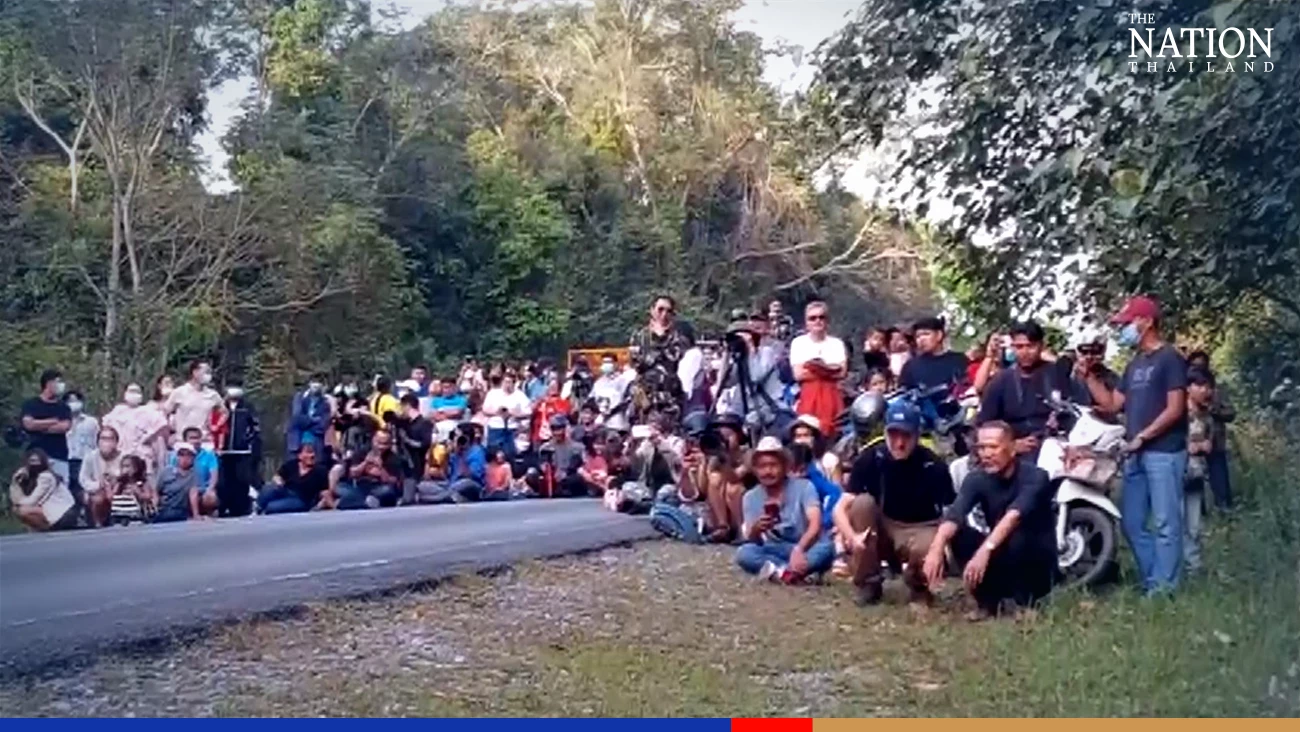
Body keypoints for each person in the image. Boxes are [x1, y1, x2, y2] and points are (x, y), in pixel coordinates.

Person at [1080, 295, 1188, 595]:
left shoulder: (1170, 358)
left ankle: (1165, 589)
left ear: (1147, 322)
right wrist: (1089, 376)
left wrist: (1144, 436)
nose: (1123, 329)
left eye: (1127, 323)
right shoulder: (1134, 364)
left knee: (1166, 522)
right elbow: (1114, 404)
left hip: (1164, 452)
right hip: (1136, 453)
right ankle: (1156, 581)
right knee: (1132, 522)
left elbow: (1175, 408)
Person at [923, 422, 1060, 620]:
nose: (986, 454)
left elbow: (1013, 516)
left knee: (1016, 532)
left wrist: (984, 551)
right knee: (959, 535)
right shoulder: (976, 479)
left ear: (1012, 449)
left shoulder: (1036, 477)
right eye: (982, 447)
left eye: (993, 447)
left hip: (1036, 564)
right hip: (1001, 554)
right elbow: (955, 514)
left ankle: (1027, 603)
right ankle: (988, 603)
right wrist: (936, 548)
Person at [834, 402, 955, 606]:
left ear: (917, 436)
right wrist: (852, 537)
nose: (899, 443)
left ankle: (918, 587)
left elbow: (950, 513)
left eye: (906, 436)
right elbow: (840, 508)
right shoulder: (871, 457)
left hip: (921, 526)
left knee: (927, 546)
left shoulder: (934, 465)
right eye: (893, 435)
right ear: (885, 433)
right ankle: (869, 582)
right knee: (861, 504)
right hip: (884, 522)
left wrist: (938, 549)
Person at [735, 436, 835, 583]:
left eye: (773, 465)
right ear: (755, 470)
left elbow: (815, 524)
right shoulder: (750, 497)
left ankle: (780, 572)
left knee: (826, 547)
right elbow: (753, 540)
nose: (768, 471)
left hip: (805, 545)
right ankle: (790, 572)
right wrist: (756, 529)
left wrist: (799, 549)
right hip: (775, 549)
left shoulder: (804, 487)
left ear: (784, 466)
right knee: (745, 553)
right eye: (762, 466)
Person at [976, 320, 1063, 459]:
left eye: (1031, 346)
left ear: (1041, 346)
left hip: (1055, 446)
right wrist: (1011, 445)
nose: (1025, 352)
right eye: (1019, 347)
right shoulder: (1001, 380)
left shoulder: (1057, 374)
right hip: (1013, 452)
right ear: (1012, 347)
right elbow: (984, 424)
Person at [789, 301, 848, 440]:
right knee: (807, 433)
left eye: (822, 317)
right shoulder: (798, 343)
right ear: (806, 322)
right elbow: (798, 374)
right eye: (813, 318)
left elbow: (842, 372)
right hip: (809, 395)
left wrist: (813, 368)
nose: (818, 321)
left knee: (833, 434)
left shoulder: (836, 343)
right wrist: (828, 370)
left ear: (827, 320)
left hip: (832, 395)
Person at [630, 294, 691, 423]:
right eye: (660, 309)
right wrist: (660, 350)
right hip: (645, 397)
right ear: (652, 310)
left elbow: (674, 358)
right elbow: (637, 364)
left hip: (670, 397)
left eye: (669, 311)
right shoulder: (639, 336)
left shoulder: (678, 338)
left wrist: (660, 339)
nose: (664, 314)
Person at [1183, 369, 1216, 572]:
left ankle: (1193, 568)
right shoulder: (1178, 414)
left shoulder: (1206, 416)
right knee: (1174, 521)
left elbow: (1209, 444)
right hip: (1177, 471)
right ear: (1189, 388)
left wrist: (1202, 446)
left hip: (1197, 473)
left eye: (1208, 386)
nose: (1206, 390)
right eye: (1200, 385)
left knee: (1194, 525)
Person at [103, 383, 170, 477]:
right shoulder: (117, 412)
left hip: (143, 459)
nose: (133, 394)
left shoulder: (149, 412)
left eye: (136, 391)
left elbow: (161, 432)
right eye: (131, 391)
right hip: (121, 459)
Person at [20, 369, 73, 484]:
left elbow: (64, 427)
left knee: (61, 490)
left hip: (58, 456)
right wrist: (52, 421)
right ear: (48, 383)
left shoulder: (63, 407)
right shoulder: (31, 404)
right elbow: (28, 424)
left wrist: (38, 426)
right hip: (34, 456)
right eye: (58, 382)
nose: (61, 385)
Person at [9, 448, 79, 532]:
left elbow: (32, 501)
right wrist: (15, 482)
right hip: (51, 511)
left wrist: (18, 503)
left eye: (37, 461)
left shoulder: (46, 477)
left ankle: (46, 530)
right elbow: (15, 499)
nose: (34, 464)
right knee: (18, 509)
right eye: (32, 461)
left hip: (64, 513)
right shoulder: (30, 478)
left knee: (23, 510)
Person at [218, 382, 261, 517]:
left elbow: (255, 427)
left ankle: (242, 507)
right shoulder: (220, 406)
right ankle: (224, 506)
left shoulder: (247, 407)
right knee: (225, 480)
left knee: (242, 479)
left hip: (242, 451)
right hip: (224, 450)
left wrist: (248, 441)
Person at [416, 424, 488, 503]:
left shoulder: (476, 451)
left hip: (472, 484)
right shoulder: (454, 452)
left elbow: (473, 475)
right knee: (423, 485)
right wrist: (448, 454)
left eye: (457, 436)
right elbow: (445, 474)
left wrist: (463, 455)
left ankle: (438, 498)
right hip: (452, 484)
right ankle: (452, 497)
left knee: (464, 483)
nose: (455, 438)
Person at [334, 430, 404, 509]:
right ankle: (366, 502)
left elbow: (392, 481)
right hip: (359, 486)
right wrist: (365, 462)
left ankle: (354, 503)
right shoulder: (362, 451)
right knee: (341, 488)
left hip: (378, 487)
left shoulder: (392, 457)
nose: (380, 447)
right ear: (373, 440)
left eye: (385, 444)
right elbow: (353, 474)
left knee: (387, 491)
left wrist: (381, 468)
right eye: (378, 442)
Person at [259, 442, 332, 514]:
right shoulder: (291, 464)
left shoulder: (320, 470)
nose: (312, 455)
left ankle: (266, 509)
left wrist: (325, 506)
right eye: (308, 452)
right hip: (286, 491)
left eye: (313, 453)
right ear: (299, 455)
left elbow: (324, 492)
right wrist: (279, 482)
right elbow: (277, 476)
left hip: (302, 499)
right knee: (268, 489)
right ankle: (258, 507)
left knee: (271, 507)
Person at [898, 317, 969, 390]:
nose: (921, 339)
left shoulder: (958, 359)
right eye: (917, 336)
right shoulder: (911, 366)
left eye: (926, 334)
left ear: (939, 335)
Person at [165, 360, 225, 443]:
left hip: (204, 440)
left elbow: (225, 412)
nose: (208, 375)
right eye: (205, 372)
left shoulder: (213, 395)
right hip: (182, 440)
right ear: (195, 372)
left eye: (209, 372)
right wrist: (170, 429)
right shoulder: (179, 392)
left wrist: (216, 426)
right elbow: (165, 412)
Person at [79, 425, 124, 527]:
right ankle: (97, 524)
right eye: (103, 438)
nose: (106, 442)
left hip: (117, 490)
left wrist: (115, 480)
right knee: (97, 498)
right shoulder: (90, 457)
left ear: (116, 442)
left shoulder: (123, 457)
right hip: (97, 490)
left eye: (110, 439)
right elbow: (83, 479)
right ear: (98, 441)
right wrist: (99, 485)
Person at [172, 427, 220, 516]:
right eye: (192, 438)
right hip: (183, 490)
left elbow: (214, 475)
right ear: (185, 440)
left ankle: (208, 512)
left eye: (197, 438)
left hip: (202, 489)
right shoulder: (176, 456)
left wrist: (210, 489)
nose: (195, 441)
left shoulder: (209, 455)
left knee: (211, 498)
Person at [394, 393, 433, 503]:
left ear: (407, 406)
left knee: (410, 498)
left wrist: (408, 441)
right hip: (406, 464)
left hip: (418, 463)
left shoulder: (424, 423)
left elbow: (425, 444)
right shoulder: (405, 424)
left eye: (402, 407)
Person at [482, 373, 531, 459]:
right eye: (505, 382)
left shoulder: (520, 395)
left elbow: (528, 412)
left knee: (510, 454)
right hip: (495, 428)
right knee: (494, 454)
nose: (507, 384)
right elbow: (485, 410)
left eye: (509, 382)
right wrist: (496, 413)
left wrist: (513, 414)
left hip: (512, 428)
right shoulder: (493, 393)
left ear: (514, 383)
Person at [63, 389, 98, 505]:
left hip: (85, 459)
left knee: (85, 489)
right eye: (70, 401)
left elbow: (96, 440)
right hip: (66, 460)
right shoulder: (61, 422)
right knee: (68, 489)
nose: (73, 403)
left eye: (76, 400)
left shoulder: (91, 422)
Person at [154, 442, 201, 523]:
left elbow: (193, 494)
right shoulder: (166, 471)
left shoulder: (193, 475)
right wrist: (155, 506)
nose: (185, 458)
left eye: (188, 455)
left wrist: (196, 515)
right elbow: (156, 491)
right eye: (181, 455)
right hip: (165, 508)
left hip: (181, 511)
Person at [541, 415, 587, 497]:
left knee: (577, 478)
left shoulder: (578, 447)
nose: (557, 432)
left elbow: (584, 466)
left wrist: (566, 472)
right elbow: (542, 465)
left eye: (559, 428)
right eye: (553, 429)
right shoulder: (545, 447)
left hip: (570, 477)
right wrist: (547, 470)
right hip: (552, 478)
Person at [287, 377, 331, 458]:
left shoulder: (325, 404)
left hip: (316, 444)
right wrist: (313, 420)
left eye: (319, 382)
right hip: (297, 442)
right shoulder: (300, 399)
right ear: (309, 384)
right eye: (314, 382)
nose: (316, 385)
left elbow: (322, 425)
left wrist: (307, 425)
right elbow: (297, 419)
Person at [591, 352, 633, 432]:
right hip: (600, 425)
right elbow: (592, 400)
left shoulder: (623, 381)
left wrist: (608, 414)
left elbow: (627, 401)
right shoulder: (598, 383)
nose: (606, 365)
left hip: (618, 424)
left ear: (615, 364)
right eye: (604, 362)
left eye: (609, 362)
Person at [110, 454, 156, 523]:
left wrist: (138, 492)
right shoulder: (120, 483)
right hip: (121, 510)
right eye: (123, 467)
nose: (125, 469)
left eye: (128, 466)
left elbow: (148, 496)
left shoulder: (141, 482)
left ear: (136, 468)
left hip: (135, 511)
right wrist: (118, 483)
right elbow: (113, 495)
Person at [532, 379, 572, 444]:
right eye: (550, 386)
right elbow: (532, 412)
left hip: (553, 436)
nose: (551, 388)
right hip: (539, 436)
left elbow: (563, 414)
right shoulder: (541, 401)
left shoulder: (563, 402)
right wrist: (538, 402)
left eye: (554, 386)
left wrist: (551, 402)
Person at [430, 377, 470, 441]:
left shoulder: (461, 400)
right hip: (439, 428)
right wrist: (451, 414)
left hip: (456, 426)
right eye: (444, 387)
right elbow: (434, 416)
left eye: (449, 387)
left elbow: (458, 413)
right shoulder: (436, 400)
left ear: (454, 387)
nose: (446, 390)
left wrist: (441, 412)